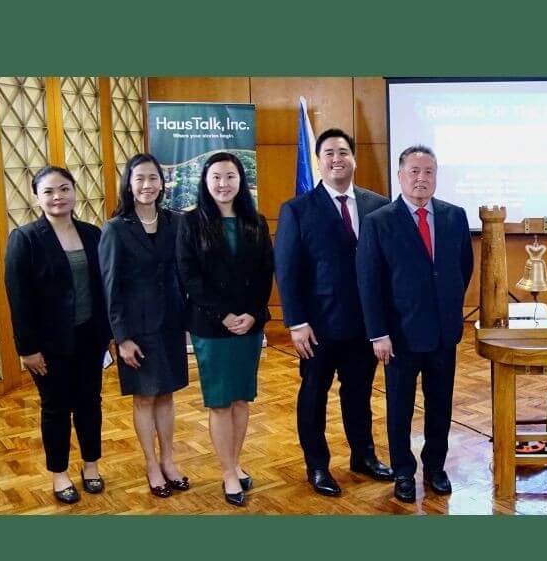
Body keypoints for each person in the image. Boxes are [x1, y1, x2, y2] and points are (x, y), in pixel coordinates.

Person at [275, 127, 393, 497]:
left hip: (364, 325)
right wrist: (295, 322)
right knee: (314, 395)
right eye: (329, 153)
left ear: (354, 158)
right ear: (319, 161)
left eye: (343, 152)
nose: (336, 159)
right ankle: (318, 465)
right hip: (317, 327)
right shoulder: (297, 209)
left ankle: (364, 456)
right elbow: (287, 269)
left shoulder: (378, 205)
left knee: (358, 394)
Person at [356, 145, 474, 503]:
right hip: (398, 337)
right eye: (414, 171)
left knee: (440, 405)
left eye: (428, 172)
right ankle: (404, 473)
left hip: (442, 333)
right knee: (400, 409)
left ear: (436, 177)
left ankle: (435, 468)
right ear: (400, 175)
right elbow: (368, 280)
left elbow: (462, 269)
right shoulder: (379, 221)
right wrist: (378, 332)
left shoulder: (455, 216)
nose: (421, 178)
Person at [3, 166, 112, 504]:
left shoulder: (93, 233)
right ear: (37, 197)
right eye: (48, 191)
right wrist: (27, 348)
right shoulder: (25, 238)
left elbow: (104, 288)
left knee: (90, 403)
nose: (57, 197)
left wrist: (108, 334)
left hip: (89, 337)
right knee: (55, 408)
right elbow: (18, 298)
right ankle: (60, 474)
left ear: (74, 192)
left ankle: (91, 466)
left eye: (64, 189)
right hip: (49, 346)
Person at [177, 152, 274, 507]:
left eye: (230, 176)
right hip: (211, 328)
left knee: (241, 399)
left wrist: (251, 313)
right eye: (216, 177)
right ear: (205, 181)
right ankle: (228, 471)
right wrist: (224, 315)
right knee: (220, 402)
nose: (223, 183)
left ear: (241, 181)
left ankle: (236, 461)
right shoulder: (190, 224)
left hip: (248, 327)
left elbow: (265, 272)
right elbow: (189, 276)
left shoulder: (256, 222)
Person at [99, 153, 189, 498]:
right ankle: (151, 464)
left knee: (166, 394)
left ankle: (169, 460)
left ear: (162, 183)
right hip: (135, 329)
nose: (147, 185)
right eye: (139, 179)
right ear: (129, 184)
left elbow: (183, 274)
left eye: (153, 178)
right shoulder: (115, 228)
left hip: (170, 323)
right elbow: (110, 286)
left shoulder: (175, 222)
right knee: (144, 397)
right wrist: (121, 338)